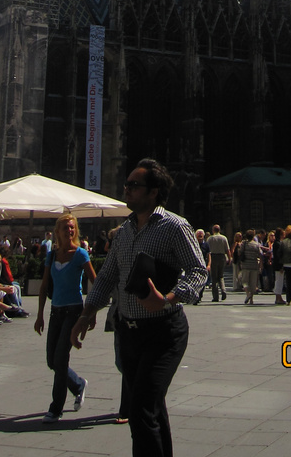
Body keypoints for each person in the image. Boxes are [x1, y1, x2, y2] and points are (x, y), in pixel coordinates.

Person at [70, 158, 207, 457]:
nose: (126, 190)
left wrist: (169, 298)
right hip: (129, 332)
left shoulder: (174, 225)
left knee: (141, 409)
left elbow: (198, 271)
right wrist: (87, 312)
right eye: (127, 184)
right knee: (152, 409)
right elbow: (108, 275)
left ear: (153, 192)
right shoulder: (124, 231)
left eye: (134, 185)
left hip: (164, 333)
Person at [35, 213, 96, 424]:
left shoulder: (80, 254)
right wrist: (39, 315)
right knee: (52, 360)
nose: (69, 231)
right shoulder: (51, 255)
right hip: (56, 311)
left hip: (73, 311)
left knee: (60, 359)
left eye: (72, 228)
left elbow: (94, 283)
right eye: (65, 228)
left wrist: (91, 313)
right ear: (57, 232)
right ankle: (78, 384)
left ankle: (55, 408)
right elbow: (44, 286)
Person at [206, 225, 231, 302]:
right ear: (219, 230)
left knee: (214, 277)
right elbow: (227, 250)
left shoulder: (210, 239)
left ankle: (215, 296)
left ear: (213, 230)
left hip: (213, 257)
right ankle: (223, 290)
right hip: (222, 257)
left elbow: (207, 250)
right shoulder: (224, 238)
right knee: (220, 276)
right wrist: (229, 258)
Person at [240, 230, 262, 305]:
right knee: (253, 283)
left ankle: (248, 294)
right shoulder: (257, 244)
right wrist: (261, 265)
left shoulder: (244, 243)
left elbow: (240, 252)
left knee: (245, 281)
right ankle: (251, 300)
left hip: (246, 265)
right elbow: (260, 254)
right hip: (254, 265)